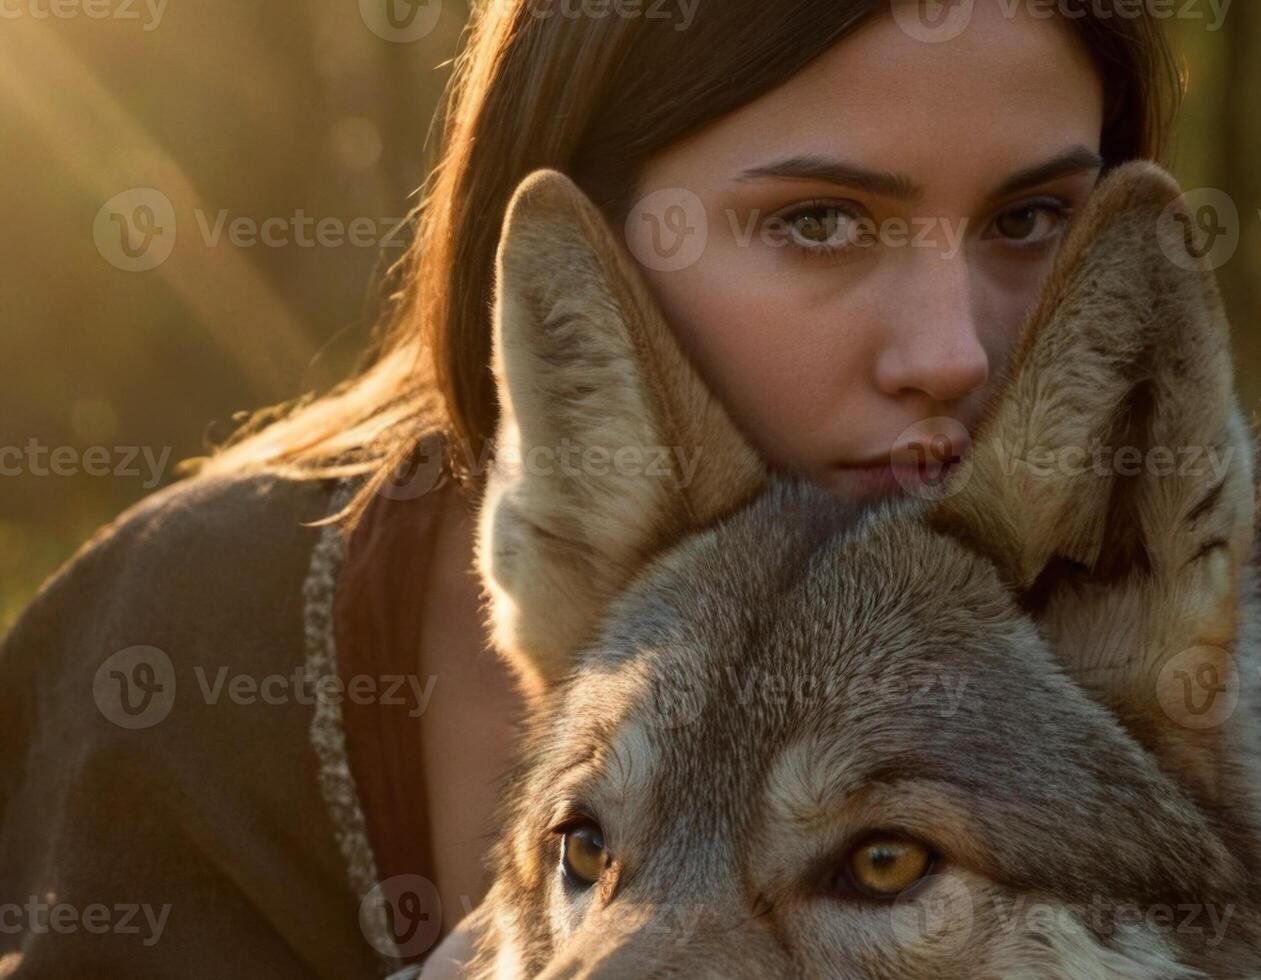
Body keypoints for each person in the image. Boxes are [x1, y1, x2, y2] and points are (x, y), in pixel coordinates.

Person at [0, 1, 1183, 976]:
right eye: (818, 222)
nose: (951, 352)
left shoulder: (1162, 594)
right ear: (586, 247)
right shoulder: (192, 638)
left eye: (1029, 219)